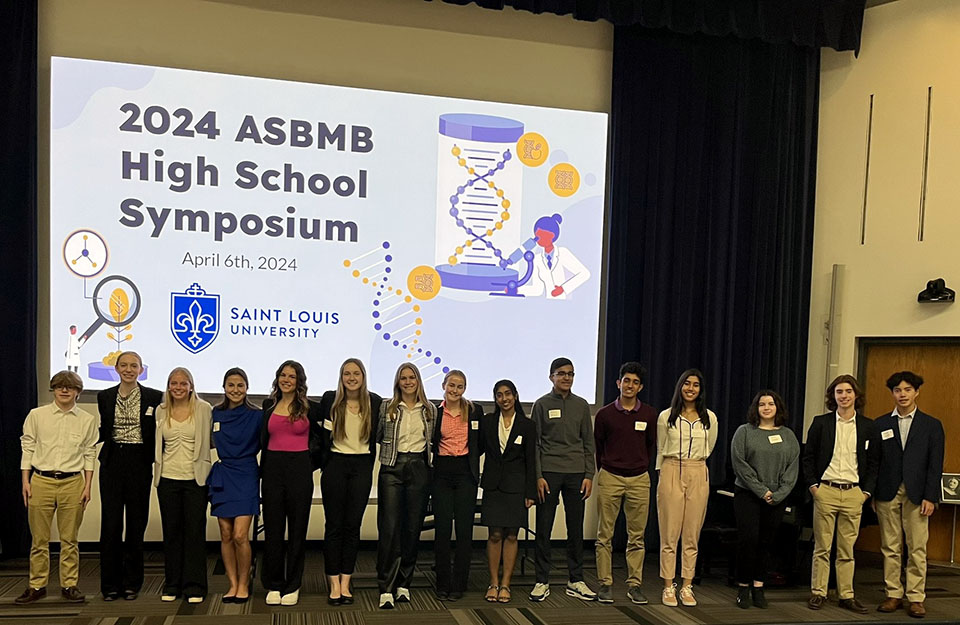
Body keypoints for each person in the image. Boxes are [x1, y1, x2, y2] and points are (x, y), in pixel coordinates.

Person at [16, 371, 98, 604]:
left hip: (73, 483)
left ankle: (69, 584)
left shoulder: (86, 420)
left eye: (70, 387)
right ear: (53, 389)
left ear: (78, 393)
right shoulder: (37, 415)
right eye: (59, 386)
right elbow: (28, 446)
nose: (64, 390)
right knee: (39, 539)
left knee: (69, 539)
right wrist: (26, 480)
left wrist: (88, 485)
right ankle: (37, 585)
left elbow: (89, 453)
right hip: (40, 481)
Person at [802, 374, 879, 613]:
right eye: (839, 392)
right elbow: (808, 458)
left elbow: (874, 462)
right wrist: (815, 487)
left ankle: (846, 595)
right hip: (826, 491)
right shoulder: (821, 423)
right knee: (822, 547)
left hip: (854, 494)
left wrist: (865, 493)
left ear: (856, 395)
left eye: (848, 391)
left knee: (847, 549)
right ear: (832, 396)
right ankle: (818, 592)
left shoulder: (868, 426)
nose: (843, 396)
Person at [874, 371, 944, 619]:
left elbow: (936, 465)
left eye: (907, 390)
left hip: (918, 494)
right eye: (897, 390)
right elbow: (875, 462)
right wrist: (872, 493)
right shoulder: (880, 424)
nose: (902, 394)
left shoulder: (931, 425)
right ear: (892, 393)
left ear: (916, 392)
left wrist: (931, 496)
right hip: (887, 492)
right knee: (890, 546)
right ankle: (893, 594)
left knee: (917, 547)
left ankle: (916, 598)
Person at [96, 351, 163, 600]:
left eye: (133, 365)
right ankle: (110, 584)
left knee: (136, 525)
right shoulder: (105, 397)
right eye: (124, 365)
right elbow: (104, 429)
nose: (128, 369)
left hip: (139, 463)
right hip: (113, 463)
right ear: (116, 368)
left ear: (141, 369)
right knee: (111, 525)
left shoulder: (154, 397)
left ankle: (132, 582)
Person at [529, 357, 597, 602]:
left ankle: (575, 579)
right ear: (551, 377)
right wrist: (537, 475)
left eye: (570, 373)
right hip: (548, 473)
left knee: (575, 529)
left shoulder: (581, 405)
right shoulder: (541, 404)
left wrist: (589, 474)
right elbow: (535, 445)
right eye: (561, 373)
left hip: (576, 473)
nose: (566, 377)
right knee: (544, 529)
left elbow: (588, 443)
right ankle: (541, 580)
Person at [318, 358, 383, 605]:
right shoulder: (329, 400)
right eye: (347, 373)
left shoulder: (374, 402)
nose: (352, 377)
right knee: (334, 526)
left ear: (363, 376)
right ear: (341, 376)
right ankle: (333, 582)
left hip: (361, 468)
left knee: (352, 526)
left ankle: (346, 581)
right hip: (335, 465)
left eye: (356, 373)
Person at [593, 362, 657, 605]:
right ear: (618, 383)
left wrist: (638, 466)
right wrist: (609, 468)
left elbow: (650, 445)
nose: (630, 386)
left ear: (640, 387)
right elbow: (599, 447)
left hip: (639, 479)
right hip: (610, 477)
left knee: (637, 537)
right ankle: (605, 583)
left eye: (635, 382)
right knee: (604, 535)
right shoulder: (605, 414)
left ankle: (634, 585)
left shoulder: (649, 414)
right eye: (626, 381)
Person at [259, 360, 322, 606]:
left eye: (292, 376)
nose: (287, 379)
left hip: (299, 470)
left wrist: (310, 464)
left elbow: (323, 440)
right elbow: (264, 440)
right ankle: (274, 584)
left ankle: (293, 584)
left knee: (297, 531)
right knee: (273, 529)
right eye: (283, 375)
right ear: (277, 378)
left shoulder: (310, 408)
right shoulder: (268, 405)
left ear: (299, 381)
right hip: (273, 470)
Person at [730, 391, 799, 609]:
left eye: (771, 404)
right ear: (756, 408)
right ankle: (743, 587)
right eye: (762, 404)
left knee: (766, 543)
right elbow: (740, 464)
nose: (766, 408)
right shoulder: (744, 432)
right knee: (748, 540)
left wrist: (777, 494)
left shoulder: (788, 435)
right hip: (748, 495)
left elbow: (792, 468)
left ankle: (758, 587)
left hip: (776, 498)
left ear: (778, 407)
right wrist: (762, 491)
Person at [656, 368, 718, 607]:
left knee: (692, 534)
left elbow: (710, 447)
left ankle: (687, 585)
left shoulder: (709, 418)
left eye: (695, 385)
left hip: (698, 471)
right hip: (672, 468)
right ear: (680, 387)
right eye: (687, 384)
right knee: (669, 534)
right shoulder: (666, 416)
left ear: (700, 390)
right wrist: (665, 475)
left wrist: (695, 467)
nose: (691, 389)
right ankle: (668, 585)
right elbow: (661, 449)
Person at [376, 363, 436, 609]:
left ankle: (403, 585)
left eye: (412, 377)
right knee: (389, 528)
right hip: (392, 467)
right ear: (397, 381)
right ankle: (386, 587)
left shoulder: (431, 409)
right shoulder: (386, 407)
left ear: (419, 380)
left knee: (412, 528)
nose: (408, 382)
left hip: (419, 468)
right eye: (404, 378)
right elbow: (378, 435)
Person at [154, 367, 212, 603]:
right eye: (173, 383)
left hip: (195, 479)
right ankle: (172, 584)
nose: (178, 387)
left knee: (194, 533)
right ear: (168, 386)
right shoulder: (161, 410)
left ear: (191, 385)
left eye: (183, 383)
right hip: (167, 479)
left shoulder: (204, 409)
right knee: (172, 533)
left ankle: (195, 586)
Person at [479, 379, 537, 604]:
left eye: (508, 394)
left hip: (516, 487)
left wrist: (530, 492)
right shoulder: (487, 422)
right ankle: (493, 582)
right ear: (495, 398)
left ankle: (506, 584)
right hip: (493, 486)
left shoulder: (527, 425)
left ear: (516, 395)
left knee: (512, 535)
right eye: (499, 395)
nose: (504, 399)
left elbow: (531, 461)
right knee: (494, 535)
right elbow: (478, 449)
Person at [209, 367, 261, 604]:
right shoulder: (215, 414)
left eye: (240, 385)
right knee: (226, 534)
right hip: (223, 474)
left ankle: (244, 582)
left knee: (241, 535)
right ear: (224, 388)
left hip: (246, 473)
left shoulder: (257, 415)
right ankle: (232, 584)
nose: (235, 390)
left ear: (247, 388)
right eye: (231, 385)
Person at [431, 370, 483, 601]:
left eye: (460, 386)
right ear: (444, 385)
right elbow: (431, 441)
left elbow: (479, 443)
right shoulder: (435, 412)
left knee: (464, 531)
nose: (455, 390)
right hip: (441, 473)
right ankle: (442, 582)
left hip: (465, 474)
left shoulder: (474, 411)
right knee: (442, 530)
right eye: (451, 385)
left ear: (465, 389)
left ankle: (459, 583)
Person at [520, 213, 590, 299]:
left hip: (563, 305)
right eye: (538, 236)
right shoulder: (537, 259)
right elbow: (537, 289)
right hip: (548, 305)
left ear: (552, 236)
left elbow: (584, 274)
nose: (538, 239)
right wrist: (515, 290)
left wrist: (563, 288)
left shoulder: (563, 253)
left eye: (542, 235)